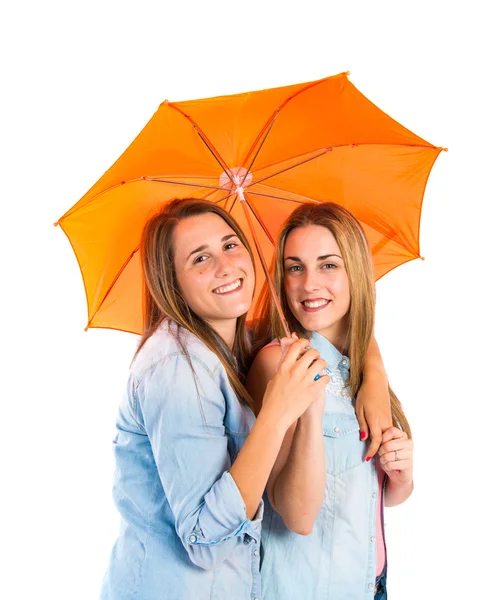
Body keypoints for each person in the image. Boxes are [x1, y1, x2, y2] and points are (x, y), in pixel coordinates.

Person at [100, 198, 330, 600]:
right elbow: (205, 541)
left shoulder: (228, 348)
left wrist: (375, 372)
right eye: (200, 258)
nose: (225, 266)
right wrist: (276, 414)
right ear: (172, 283)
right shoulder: (176, 369)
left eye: (230, 245)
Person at [248, 202, 415, 600]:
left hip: (371, 586)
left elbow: (379, 493)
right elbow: (297, 516)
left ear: (354, 271)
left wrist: (403, 474)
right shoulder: (278, 364)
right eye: (295, 267)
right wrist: (310, 405)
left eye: (327, 265)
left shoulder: (360, 366)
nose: (308, 284)